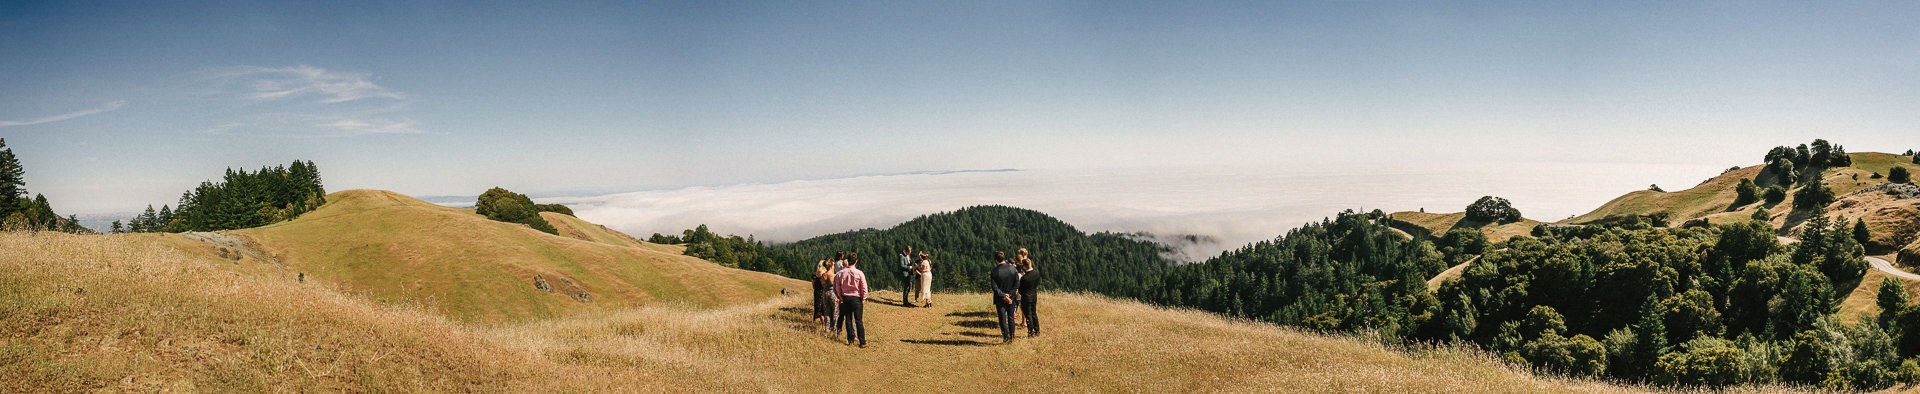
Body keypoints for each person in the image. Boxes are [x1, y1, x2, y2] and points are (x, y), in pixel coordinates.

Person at [835, 253, 870, 348]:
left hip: (845, 298)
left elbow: (837, 287)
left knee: (848, 319)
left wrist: (840, 297)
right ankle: (862, 342)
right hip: (856, 298)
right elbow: (864, 288)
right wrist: (863, 298)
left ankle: (850, 340)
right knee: (859, 320)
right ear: (856, 261)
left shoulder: (840, 273)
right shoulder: (859, 273)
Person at [989, 251, 1021, 344]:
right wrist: (1009, 295)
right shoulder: (1013, 269)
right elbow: (1017, 284)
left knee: (1002, 319)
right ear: (1004, 258)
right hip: (1011, 298)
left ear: (995, 260)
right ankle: (1012, 337)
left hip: (1000, 299)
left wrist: (1003, 295)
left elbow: (994, 287)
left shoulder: (994, 271)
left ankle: (1006, 338)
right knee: (1011, 318)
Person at [1016, 248, 1040, 337]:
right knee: (1034, 313)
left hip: (1026, 297)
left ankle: (1031, 332)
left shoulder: (1024, 278)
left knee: (1028, 315)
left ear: (1025, 266)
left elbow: (1020, 290)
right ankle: (1037, 330)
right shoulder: (1037, 273)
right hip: (1034, 295)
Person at [813, 260, 837, 332]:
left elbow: (820, 284)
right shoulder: (833, 275)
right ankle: (834, 328)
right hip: (832, 293)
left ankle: (827, 328)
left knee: (826, 312)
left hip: (823, 293)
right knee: (834, 311)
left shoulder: (822, 275)